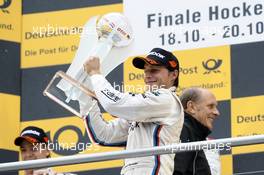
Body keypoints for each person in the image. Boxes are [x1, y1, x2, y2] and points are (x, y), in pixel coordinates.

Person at [83, 48, 184, 175]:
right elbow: (104, 135)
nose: (148, 75)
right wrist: (85, 97)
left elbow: (114, 103)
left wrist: (95, 74)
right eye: (146, 71)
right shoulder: (145, 110)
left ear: (173, 74)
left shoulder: (167, 99)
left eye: (154, 70)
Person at [173, 87, 221, 175]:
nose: (216, 112)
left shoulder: (192, 132)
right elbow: (176, 171)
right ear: (191, 107)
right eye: (210, 106)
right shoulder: (184, 130)